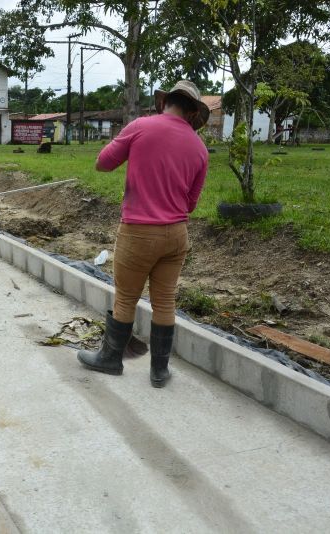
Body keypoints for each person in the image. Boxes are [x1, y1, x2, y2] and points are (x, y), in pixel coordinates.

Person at [77, 80, 210, 388]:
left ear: (165, 102)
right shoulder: (200, 149)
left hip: (138, 232)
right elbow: (190, 203)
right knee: (164, 300)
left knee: (126, 297)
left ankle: (111, 359)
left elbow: (103, 163)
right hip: (176, 235)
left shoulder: (141, 127)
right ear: (192, 114)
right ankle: (159, 371)